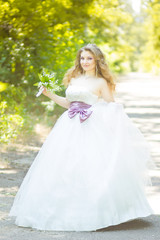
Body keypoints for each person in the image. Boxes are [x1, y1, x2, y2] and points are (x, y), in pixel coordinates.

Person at [9, 43, 153, 231]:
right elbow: (69, 104)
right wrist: (48, 93)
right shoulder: (74, 78)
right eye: (82, 58)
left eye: (89, 58)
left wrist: (99, 116)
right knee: (62, 165)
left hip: (91, 125)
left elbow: (112, 106)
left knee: (90, 165)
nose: (85, 61)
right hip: (69, 125)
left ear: (97, 60)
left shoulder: (101, 82)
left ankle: (99, 211)